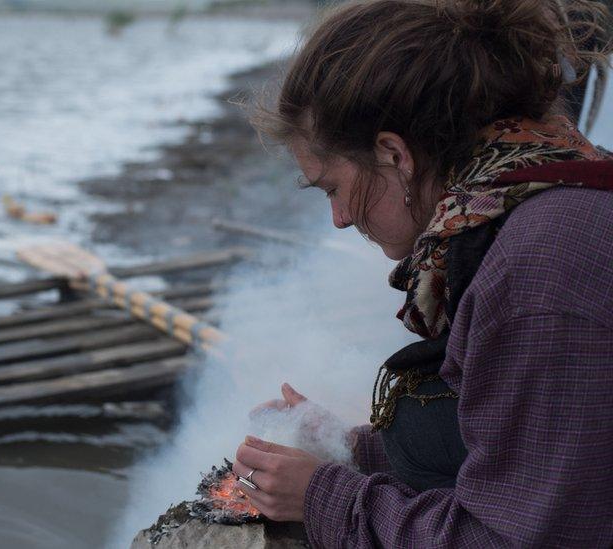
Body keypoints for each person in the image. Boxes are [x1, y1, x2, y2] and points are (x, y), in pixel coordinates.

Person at [229, 0, 613, 546]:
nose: (338, 220)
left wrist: (322, 497)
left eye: (334, 188)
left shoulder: (540, 268)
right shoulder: (548, 190)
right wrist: (350, 449)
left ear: (394, 154)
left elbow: (509, 538)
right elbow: (510, 435)